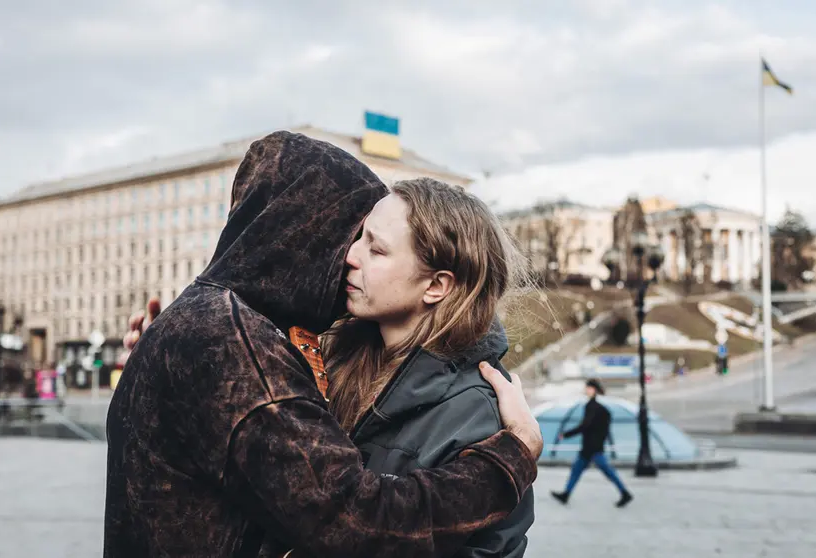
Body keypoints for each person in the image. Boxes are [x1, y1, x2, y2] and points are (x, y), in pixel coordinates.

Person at [104, 131, 544, 558]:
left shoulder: (480, 409)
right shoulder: (310, 356)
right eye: (356, 238)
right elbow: (338, 516)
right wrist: (190, 373)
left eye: (376, 248)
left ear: (436, 285)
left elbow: (479, 545)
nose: (350, 255)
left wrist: (512, 452)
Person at [550, 379, 633, 508]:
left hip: (591, 448)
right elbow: (601, 427)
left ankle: (625, 493)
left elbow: (585, 425)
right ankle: (566, 494)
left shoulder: (591, 407)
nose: (586, 390)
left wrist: (566, 434)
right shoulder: (601, 409)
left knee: (607, 471)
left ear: (593, 390)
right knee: (577, 470)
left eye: (588, 388)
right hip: (593, 447)